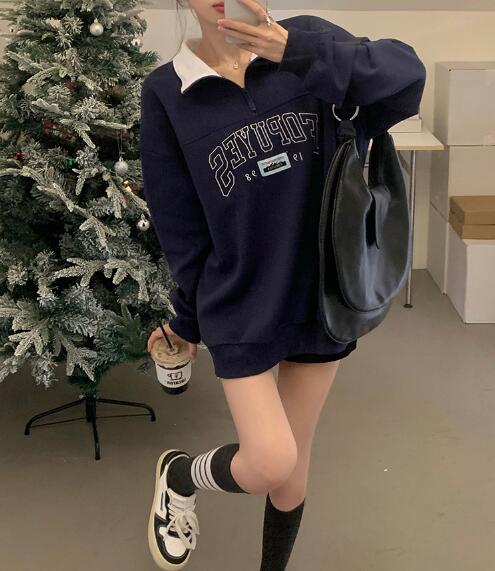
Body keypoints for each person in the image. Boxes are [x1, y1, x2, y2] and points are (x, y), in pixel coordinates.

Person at [140, 1, 427, 569]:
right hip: (239, 303)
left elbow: (406, 80)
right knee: (270, 460)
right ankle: (181, 476)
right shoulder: (167, 93)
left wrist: (295, 52)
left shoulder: (311, 41)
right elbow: (180, 227)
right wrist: (187, 321)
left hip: (321, 294)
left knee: (292, 472)